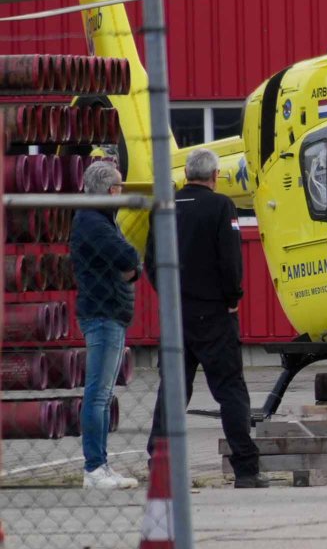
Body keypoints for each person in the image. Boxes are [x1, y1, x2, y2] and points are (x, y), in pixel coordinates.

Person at [148, 147, 266, 487]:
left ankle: (159, 463)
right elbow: (230, 261)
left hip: (176, 315)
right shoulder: (220, 207)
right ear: (215, 177)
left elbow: (151, 261)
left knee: (173, 389)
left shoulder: (164, 209)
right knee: (230, 389)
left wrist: (170, 295)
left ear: (186, 175)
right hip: (214, 313)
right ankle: (245, 468)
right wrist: (233, 299)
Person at [69, 161, 140, 489]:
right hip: (102, 314)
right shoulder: (93, 221)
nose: (122, 191)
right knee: (98, 394)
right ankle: (94, 468)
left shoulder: (99, 219)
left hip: (108, 312)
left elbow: (130, 262)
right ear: (111, 190)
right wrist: (130, 266)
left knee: (103, 393)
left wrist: (131, 266)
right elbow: (127, 257)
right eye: (119, 186)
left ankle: (101, 466)